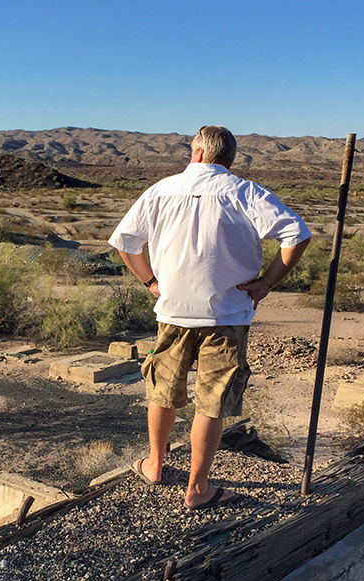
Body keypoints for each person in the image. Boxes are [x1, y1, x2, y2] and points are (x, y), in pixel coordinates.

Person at [108, 125, 311, 510]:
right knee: (213, 401)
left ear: (196, 153)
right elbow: (296, 235)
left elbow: (125, 242)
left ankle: (154, 464)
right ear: (228, 159)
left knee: (163, 388)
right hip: (228, 314)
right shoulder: (246, 193)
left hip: (173, 311)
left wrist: (151, 281)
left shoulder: (161, 190)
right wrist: (267, 282)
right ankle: (197, 489)